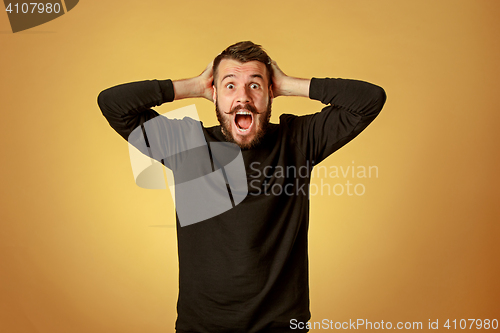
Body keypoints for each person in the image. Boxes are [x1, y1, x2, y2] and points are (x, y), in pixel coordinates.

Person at [97, 41, 386, 333]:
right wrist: (194, 85)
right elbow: (113, 105)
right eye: (230, 86)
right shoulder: (188, 146)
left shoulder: (298, 140)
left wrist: (288, 84)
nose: (243, 98)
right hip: (202, 328)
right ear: (215, 94)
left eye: (255, 86)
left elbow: (369, 100)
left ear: (270, 93)